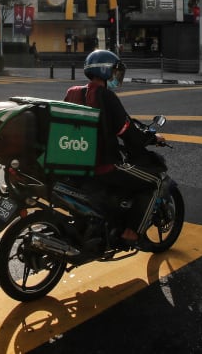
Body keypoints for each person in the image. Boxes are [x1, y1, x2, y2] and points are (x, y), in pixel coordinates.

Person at [63, 49, 165, 247]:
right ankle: (132, 232)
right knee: (154, 182)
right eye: (115, 72)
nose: (116, 77)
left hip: (76, 166)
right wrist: (151, 139)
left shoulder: (72, 92)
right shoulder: (106, 96)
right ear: (105, 71)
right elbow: (126, 132)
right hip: (104, 165)